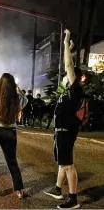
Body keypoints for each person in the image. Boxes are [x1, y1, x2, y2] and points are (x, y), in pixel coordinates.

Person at [44, 29, 83, 209]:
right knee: (62, 162)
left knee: (67, 164)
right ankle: (58, 189)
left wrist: (66, 42)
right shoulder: (68, 91)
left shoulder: (75, 89)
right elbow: (68, 66)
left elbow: (68, 65)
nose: (66, 76)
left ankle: (73, 198)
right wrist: (69, 48)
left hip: (66, 131)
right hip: (62, 131)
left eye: (69, 75)